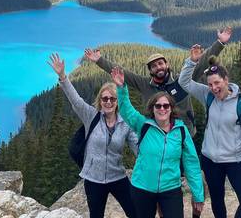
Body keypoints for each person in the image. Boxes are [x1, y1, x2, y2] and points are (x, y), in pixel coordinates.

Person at [84, 28, 232, 137]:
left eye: (160, 63)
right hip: (156, 135)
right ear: (150, 70)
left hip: (184, 134)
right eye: (154, 66)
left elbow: (202, 63)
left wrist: (220, 43)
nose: (158, 67)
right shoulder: (144, 84)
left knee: (184, 168)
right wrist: (100, 61)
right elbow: (122, 73)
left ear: (166, 65)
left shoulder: (182, 81)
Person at [178, 46, 241, 218]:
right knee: (217, 199)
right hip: (210, 160)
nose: (213, 87)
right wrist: (191, 62)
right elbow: (184, 82)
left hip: (236, 160)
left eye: (217, 83)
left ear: (226, 80)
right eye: (210, 84)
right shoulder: (207, 95)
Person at [47, 53, 138, 218]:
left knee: (135, 212)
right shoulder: (92, 116)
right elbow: (76, 100)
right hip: (93, 179)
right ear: (100, 100)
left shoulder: (125, 124)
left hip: (117, 176)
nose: (108, 102)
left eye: (112, 99)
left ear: (117, 102)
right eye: (105, 99)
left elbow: (137, 148)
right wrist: (62, 76)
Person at [111, 66, 205, 218]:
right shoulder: (144, 125)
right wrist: (121, 88)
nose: (162, 109)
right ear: (152, 108)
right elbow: (126, 110)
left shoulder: (181, 131)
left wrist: (198, 195)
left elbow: (191, 164)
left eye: (166, 105)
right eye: (158, 106)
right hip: (142, 188)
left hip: (170, 189)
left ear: (171, 109)